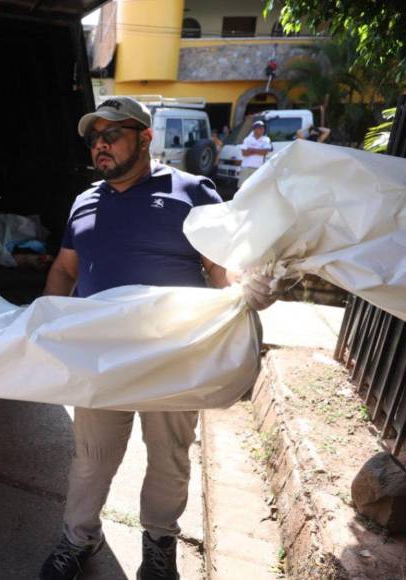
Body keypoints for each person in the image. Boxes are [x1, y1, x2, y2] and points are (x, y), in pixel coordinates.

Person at [38, 97, 279, 580]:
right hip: (102, 356)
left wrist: (249, 291)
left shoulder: (192, 190)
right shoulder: (84, 201)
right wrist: (44, 324)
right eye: (93, 138)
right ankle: (78, 536)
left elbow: (219, 267)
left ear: (145, 137)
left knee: (169, 456)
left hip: (174, 355)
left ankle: (160, 540)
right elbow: (65, 270)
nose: (100, 146)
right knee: (92, 458)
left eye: (112, 135)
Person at [239, 119, 272, 187]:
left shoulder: (266, 139)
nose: (262, 129)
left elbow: (265, 152)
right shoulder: (247, 139)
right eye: (259, 128)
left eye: (262, 128)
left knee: (255, 188)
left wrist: (251, 150)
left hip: (258, 168)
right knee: (243, 188)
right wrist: (259, 150)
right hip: (246, 167)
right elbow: (244, 153)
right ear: (254, 129)